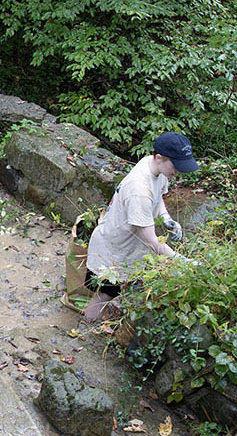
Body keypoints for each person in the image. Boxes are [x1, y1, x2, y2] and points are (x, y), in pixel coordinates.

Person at [83, 132, 200, 321]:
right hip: (112, 250)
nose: (177, 171)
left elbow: (158, 197)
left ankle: (101, 324)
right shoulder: (138, 188)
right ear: (160, 157)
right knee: (105, 295)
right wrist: (182, 261)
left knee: (117, 293)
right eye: (176, 166)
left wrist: (166, 218)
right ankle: (86, 328)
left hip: (126, 246)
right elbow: (152, 241)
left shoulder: (155, 167)